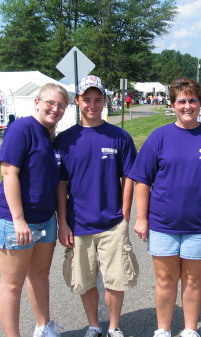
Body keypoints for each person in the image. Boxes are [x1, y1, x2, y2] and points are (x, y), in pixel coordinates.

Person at [129, 77, 201, 337]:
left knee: (193, 280)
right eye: (181, 101)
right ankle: (163, 330)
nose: (187, 106)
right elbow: (142, 181)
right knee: (165, 281)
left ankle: (190, 330)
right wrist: (141, 218)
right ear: (173, 104)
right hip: (163, 224)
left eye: (192, 100)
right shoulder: (159, 137)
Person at [55, 75, 139, 337]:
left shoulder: (119, 137)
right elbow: (60, 184)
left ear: (105, 101)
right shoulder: (65, 139)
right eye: (87, 99)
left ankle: (114, 326)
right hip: (78, 222)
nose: (92, 104)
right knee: (84, 279)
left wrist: (125, 212)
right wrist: (63, 223)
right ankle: (94, 325)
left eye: (97, 99)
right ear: (77, 101)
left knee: (116, 279)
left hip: (112, 221)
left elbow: (130, 177)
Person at [0, 83, 69, 337]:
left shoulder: (49, 136)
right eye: (50, 103)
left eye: (61, 106)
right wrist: (19, 220)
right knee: (12, 284)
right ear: (37, 102)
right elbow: (8, 173)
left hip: (44, 220)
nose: (55, 109)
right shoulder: (21, 129)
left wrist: (59, 220)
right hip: (16, 220)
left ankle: (44, 327)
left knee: (39, 276)